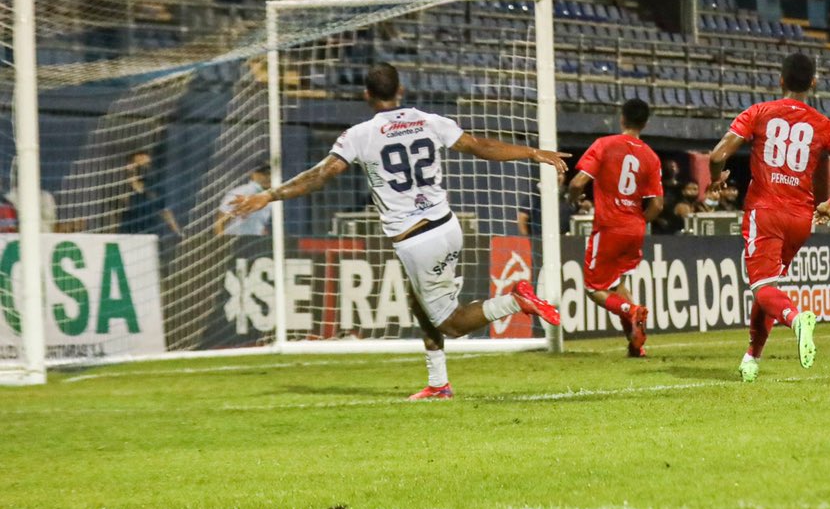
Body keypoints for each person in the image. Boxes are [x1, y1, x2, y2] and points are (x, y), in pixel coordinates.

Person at [230, 63, 566, 400]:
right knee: (417, 300)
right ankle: (438, 383)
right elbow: (480, 146)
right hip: (447, 225)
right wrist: (533, 152)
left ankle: (515, 301)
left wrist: (269, 195)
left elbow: (320, 175)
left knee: (451, 324)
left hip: (418, 240)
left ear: (366, 95)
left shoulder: (360, 135)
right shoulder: (429, 121)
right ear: (400, 90)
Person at [708, 53, 830, 383]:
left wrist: (716, 177)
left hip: (765, 212)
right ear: (813, 83)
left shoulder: (759, 112)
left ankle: (795, 319)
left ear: (780, 80)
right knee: (768, 287)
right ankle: (752, 358)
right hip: (801, 218)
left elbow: (718, 154)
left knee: (763, 288)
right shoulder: (823, 124)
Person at [567, 99, 664, 357]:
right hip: (635, 229)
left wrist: (572, 199)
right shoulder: (651, 156)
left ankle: (631, 311)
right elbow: (657, 205)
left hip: (609, 226)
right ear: (645, 123)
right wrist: (638, 222)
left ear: (622, 118)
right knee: (617, 284)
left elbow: (577, 183)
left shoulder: (605, 145)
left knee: (593, 288)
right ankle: (635, 346)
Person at [119, 151, 181, 237]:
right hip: (129, 230)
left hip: (148, 229)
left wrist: (177, 231)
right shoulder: (123, 185)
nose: (146, 167)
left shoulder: (151, 184)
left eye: (148, 164)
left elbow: (163, 209)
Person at [215, 166, 272, 235]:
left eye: (271, 174)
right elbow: (220, 222)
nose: (269, 177)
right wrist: (221, 239)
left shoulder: (269, 198)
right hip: (234, 238)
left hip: (256, 239)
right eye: (265, 174)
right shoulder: (240, 192)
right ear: (254, 174)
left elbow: (259, 224)